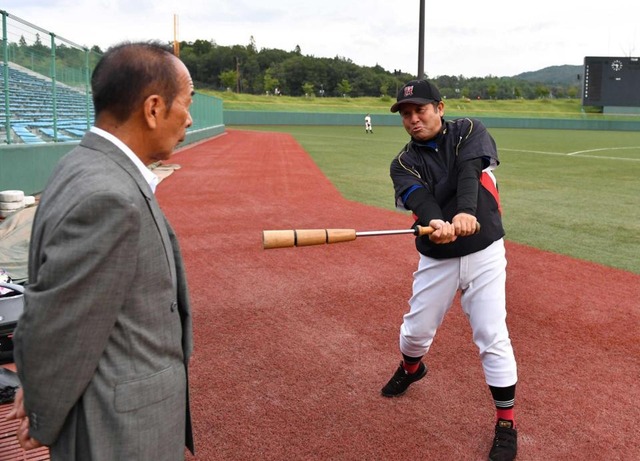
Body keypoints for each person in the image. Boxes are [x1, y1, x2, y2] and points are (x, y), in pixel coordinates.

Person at [6, 41, 196, 460]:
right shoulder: (109, 195)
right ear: (152, 109)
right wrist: (42, 414)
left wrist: (36, 389)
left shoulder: (83, 164)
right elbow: (57, 323)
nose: (189, 117)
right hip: (119, 433)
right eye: (186, 102)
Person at [381, 80, 518, 461]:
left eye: (419, 110)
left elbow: (470, 174)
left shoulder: (469, 131)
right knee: (414, 335)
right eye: (405, 114)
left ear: (440, 107)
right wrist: (436, 221)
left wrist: (465, 213)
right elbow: (418, 198)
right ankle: (411, 368)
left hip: (485, 249)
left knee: (492, 335)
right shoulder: (403, 162)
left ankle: (506, 423)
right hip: (437, 259)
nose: (412, 119)